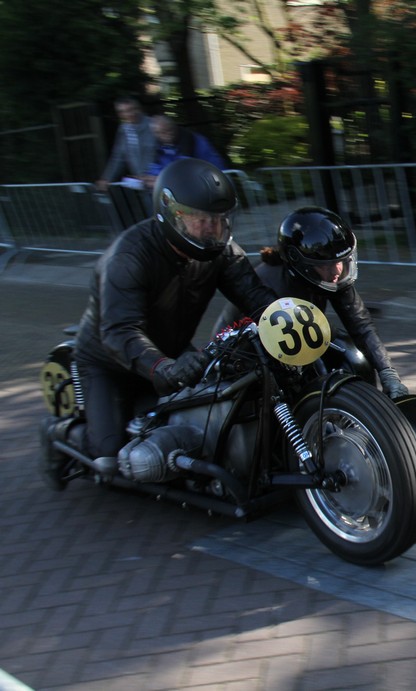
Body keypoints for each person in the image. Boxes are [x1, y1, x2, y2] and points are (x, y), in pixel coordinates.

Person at [39, 158, 278, 488]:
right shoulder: (128, 257)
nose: (212, 228)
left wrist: (294, 320)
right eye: (201, 219)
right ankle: (56, 432)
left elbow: (256, 296)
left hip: (170, 353)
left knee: (214, 412)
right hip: (108, 363)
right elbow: (119, 332)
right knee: (107, 458)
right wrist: (164, 368)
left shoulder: (221, 251)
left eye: (219, 219)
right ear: (173, 215)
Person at [214, 206, 409, 400]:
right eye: (327, 264)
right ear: (300, 263)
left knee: (348, 352)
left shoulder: (333, 275)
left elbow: (360, 323)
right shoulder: (269, 286)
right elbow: (262, 355)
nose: (337, 271)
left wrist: (388, 373)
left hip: (291, 345)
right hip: (243, 355)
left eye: (341, 261)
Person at [143, 115, 227, 188]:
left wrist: (164, 180)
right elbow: (155, 169)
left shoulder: (194, 141)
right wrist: (149, 179)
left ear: (173, 126)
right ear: (156, 134)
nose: (167, 134)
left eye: (169, 129)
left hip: (205, 185)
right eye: (162, 132)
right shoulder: (159, 149)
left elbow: (215, 165)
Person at [95, 96, 157, 192]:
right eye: (122, 112)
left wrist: (157, 174)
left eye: (131, 109)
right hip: (142, 184)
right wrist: (106, 178)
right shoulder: (124, 130)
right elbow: (118, 157)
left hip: (159, 180)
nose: (128, 114)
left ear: (138, 108)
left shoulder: (154, 124)